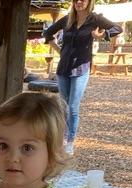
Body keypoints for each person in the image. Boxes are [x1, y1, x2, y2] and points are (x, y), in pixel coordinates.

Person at [44, 0, 121, 155]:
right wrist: (59, 50)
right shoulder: (67, 19)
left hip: (81, 69)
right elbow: (47, 32)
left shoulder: (95, 19)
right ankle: (62, 138)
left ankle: (70, 141)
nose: (79, 2)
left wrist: (103, 35)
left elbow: (118, 28)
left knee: (73, 106)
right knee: (64, 105)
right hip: (63, 68)